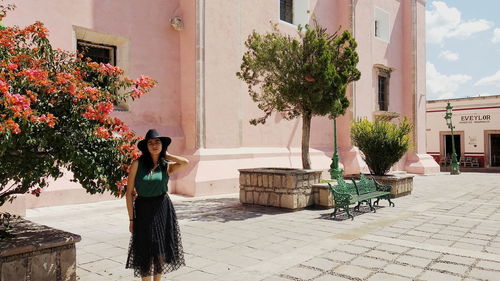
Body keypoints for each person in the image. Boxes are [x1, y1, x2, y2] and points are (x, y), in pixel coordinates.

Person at [125, 129, 189, 281]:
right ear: (146, 146)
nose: (154, 145)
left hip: (162, 207)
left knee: (159, 247)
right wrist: (131, 219)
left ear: (162, 145)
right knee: (144, 247)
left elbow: (185, 162)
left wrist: (165, 155)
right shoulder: (137, 164)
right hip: (143, 208)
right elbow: (129, 193)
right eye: (150, 143)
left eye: (157, 142)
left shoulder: (165, 165)